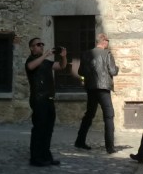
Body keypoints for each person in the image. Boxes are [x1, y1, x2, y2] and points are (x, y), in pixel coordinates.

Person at [25, 37, 67, 167]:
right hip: (38, 99)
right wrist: (44, 55)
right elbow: (31, 67)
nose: (41, 46)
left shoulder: (46, 62)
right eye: (38, 44)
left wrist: (64, 57)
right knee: (39, 129)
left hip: (49, 99)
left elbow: (61, 66)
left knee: (48, 130)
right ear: (32, 47)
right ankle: (35, 158)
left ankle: (46, 156)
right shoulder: (31, 60)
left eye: (42, 44)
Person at [75, 33, 119, 153]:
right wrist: (118, 68)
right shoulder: (107, 54)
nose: (108, 43)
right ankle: (109, 147)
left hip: (91, 88)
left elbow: (80, 72)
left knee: (89, 115)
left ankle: (80, 141)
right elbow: (113, 71)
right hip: (103, 89)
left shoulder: (85, 54)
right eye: (108, 40)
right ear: (104, 41)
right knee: (109, 116)